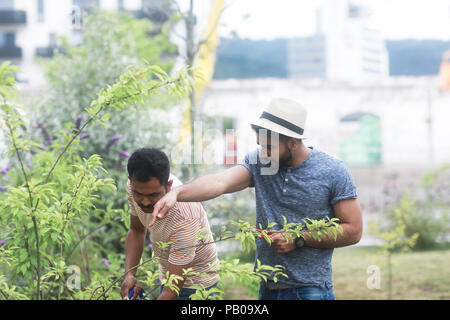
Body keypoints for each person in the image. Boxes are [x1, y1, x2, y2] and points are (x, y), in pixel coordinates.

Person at [150, 98, 363, 300]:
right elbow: (219, 182)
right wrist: (177, 193)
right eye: (261, 145)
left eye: (269, 147)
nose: (263, 152)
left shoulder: (333, 171)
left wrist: (299, 238)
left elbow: (353, 230)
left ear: (292, 143)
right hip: (268, 285)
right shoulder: (260, 162)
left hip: (310, 289)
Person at [120, 148, 219, 300]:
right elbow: (136, 230)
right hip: (168, 275)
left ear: (169, 185)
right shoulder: (135, 186)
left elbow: (170, 293)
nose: (145, 202)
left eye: (153, 195)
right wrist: (129, 275)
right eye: (139, 194)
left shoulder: (184, 218)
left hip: (197, 285)